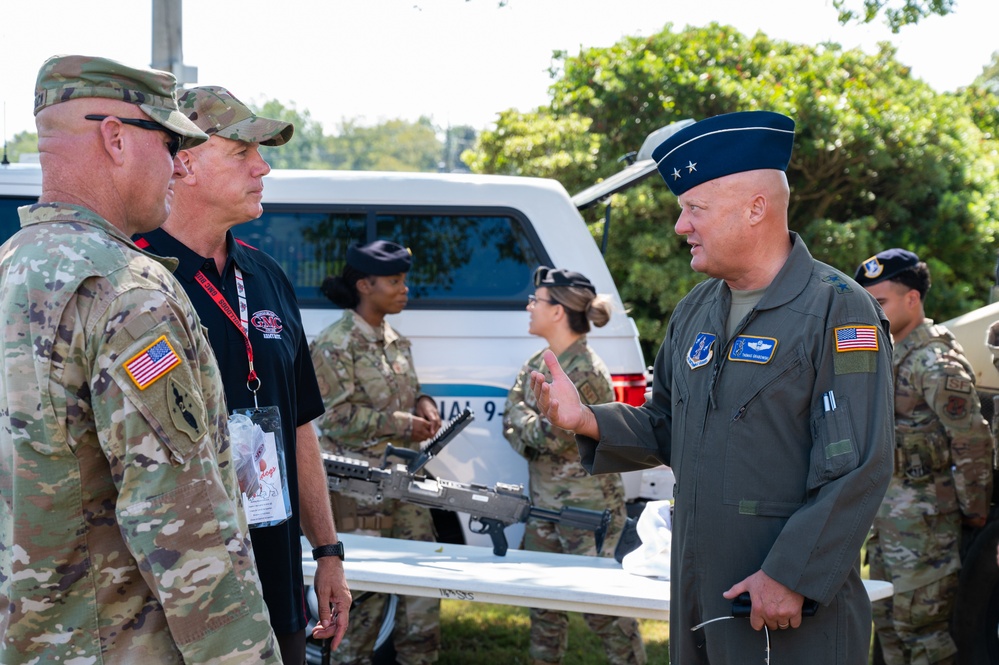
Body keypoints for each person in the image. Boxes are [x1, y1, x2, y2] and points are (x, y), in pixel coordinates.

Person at [528, 111, 895, 664]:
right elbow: (667, 426)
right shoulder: (695, 310)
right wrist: (586, 419)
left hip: (785, 606)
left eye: (694, 209)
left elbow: (859, 464)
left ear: (755, 209)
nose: (680, 226)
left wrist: (790, 575)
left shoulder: (837, 308)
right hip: (701, 588)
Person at [0, 55, 281, 662]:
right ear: (117, 138)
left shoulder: (11, 270)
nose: (178, 165)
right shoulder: (127, 293)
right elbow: (184, 529)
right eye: (169, 141)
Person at [134, 86, 350, 664]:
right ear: (183, 162)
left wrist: (328, 552)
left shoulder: (267, 275)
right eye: (242, 152)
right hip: (176, 600)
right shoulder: (135, 279)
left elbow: (300, 422)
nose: (264, 166)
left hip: (273, 585)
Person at [855, 248, 994, 664]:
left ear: (912, 299)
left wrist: (974, 511)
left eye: (879, 302)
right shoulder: (889, 353)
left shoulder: (936, 362)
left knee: (925, 637)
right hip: (886, 525)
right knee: (889, 627)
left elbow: (972, 441)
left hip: (926, 527)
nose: (870, 311)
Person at [503, 266, 647, 665]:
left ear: (558, 310)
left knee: (604, 614)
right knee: (543, 609)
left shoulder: (585, 371)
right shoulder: (539, 361)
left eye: (537, 300)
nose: (530, 306)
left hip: (588, 513)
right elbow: (509, 420)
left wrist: (526, 423)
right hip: (544, 508)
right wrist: (530, 425)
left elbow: (555, 436)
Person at [310, 240, 442, 665]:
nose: (405, 289)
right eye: (395, 281)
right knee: (361, 600)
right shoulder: (335, 343)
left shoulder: (396, 341)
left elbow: (408, 390)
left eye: (404, 280)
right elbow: (334, 419)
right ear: (365, 285)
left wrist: (423, 403)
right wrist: (404, 423)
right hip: (360, 490)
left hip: (406, 487)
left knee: (423, 593)